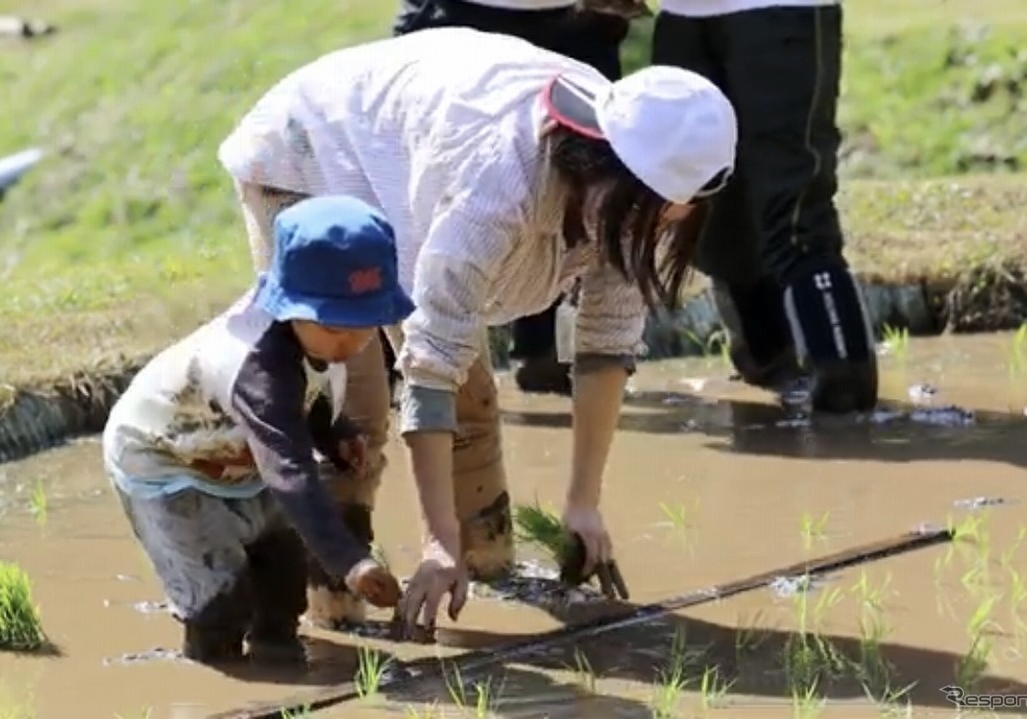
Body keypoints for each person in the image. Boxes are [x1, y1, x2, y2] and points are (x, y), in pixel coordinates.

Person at [218, 27, 737, 635]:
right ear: (609, 167)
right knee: (349, 408)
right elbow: (431, 361)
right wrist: (435, 541)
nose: (655, 231)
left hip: (416, 154)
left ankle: (488, 569)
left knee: (472, 395)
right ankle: (336, 610)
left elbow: (606, 343)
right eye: (651, 212)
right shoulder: (497, 187)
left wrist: (583, 504)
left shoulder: (633, 199)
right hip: (314, 152)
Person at [102, 195, 411, 665]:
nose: (350, 341)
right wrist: (351, 562)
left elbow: (308, 397)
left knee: (283, 585)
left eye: (364, 325)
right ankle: (214, 665)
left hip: (237, 453)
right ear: (289, 306)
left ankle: (278, 655)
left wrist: (333, 432)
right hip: (166, 462)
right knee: (219, 600)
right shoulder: (256, 369)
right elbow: (290, 472)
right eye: (335, 326)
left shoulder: (319, 341)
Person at [387, 0, 641, 396]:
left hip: (574, 20)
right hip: (459, 13)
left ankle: (543, 353)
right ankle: (394, 368)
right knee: (416, 186)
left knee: (588, 182)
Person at [650, 0, 879, 413]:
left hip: (780, 12)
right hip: (684, 17)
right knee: (710, 205)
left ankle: (846, 392)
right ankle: (773, 370)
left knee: (794, 213)